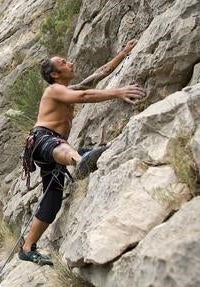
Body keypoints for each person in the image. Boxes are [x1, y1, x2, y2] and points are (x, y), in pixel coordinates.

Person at [18, 39, 145, 265]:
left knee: (52, 201)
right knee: (63, 148)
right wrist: (118, 92)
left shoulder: (67, 89)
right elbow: (84, 97)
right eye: (64, 63)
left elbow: (99, 74)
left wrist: (124, 53)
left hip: (51, 150)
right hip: (43, 140)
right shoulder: (54, 90)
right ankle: (80, 160)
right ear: (55, 74)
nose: (70, 63)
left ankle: (27, 248)